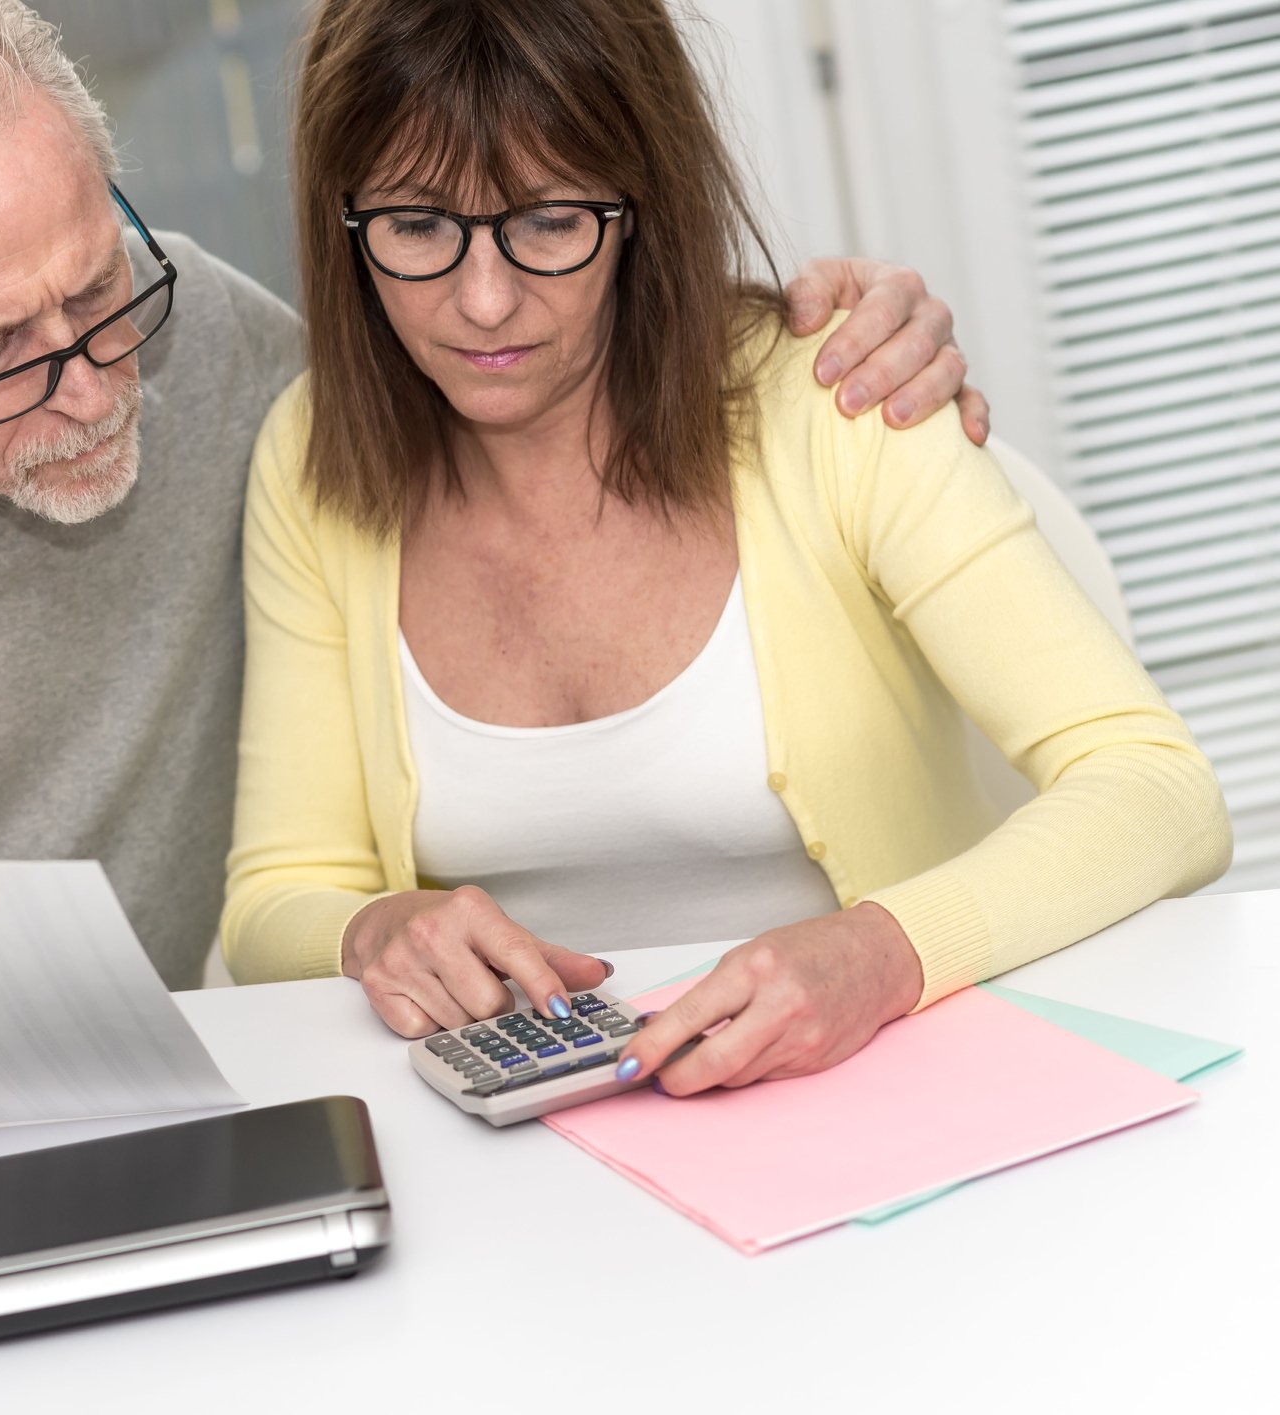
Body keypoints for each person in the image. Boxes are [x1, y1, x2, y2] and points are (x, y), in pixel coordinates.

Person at [0, 0, 988, 1186]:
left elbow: (520, 373)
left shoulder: (231, 362)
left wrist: (804, 328)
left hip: (143, 1111)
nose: (93, 389)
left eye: (100, 291)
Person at [220, 0, 1231, 1096]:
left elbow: (1157, 788)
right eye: (416, 226)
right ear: (342, 220)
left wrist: (884, 951)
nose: (482, 302)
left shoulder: (836, 397)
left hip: (892, 1088)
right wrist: (372, 928)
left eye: (549, 221)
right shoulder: (310, 456)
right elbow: (279, 891)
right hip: (537, 1150)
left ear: (642, 205)